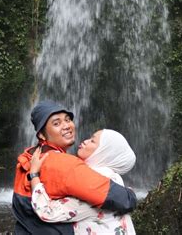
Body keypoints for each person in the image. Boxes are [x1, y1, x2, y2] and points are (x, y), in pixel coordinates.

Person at [12, 100, 137, 234]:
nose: (66, 126)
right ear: (41, 135)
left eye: (67, 119)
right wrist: (130, 195)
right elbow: (121, 199)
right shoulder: (63, 164)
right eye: (56, 123)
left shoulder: (30, 156)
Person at [30, 129, 136, 234]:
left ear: (104, 151)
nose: (85, 141)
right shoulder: (113, 177)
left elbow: (48, 212)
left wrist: (34, 174)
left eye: (92, 141)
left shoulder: (93, 183)